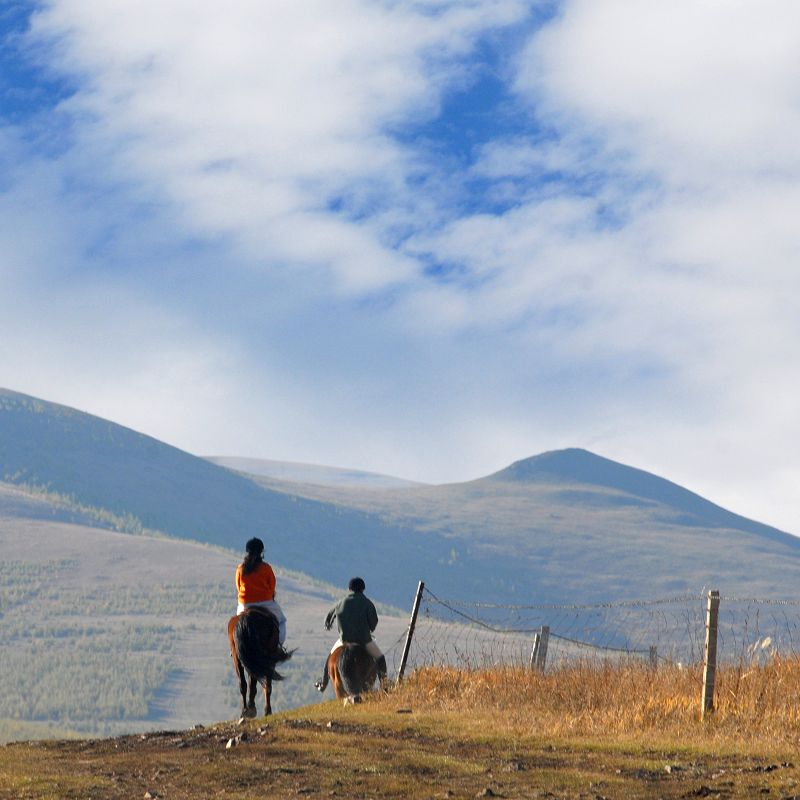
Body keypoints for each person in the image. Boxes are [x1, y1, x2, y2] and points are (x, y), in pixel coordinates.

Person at [315, 576, 387, 690]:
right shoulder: (367, 603)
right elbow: (373, 623)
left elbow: (328, 619)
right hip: (364, 641)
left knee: (329, 658)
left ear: (349, 589)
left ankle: (323, 683)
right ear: (363, 589)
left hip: (344, 640)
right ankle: (385, 686)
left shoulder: (340, 603)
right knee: (380, 658)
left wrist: (330, 625)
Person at [235, 537, 287, 645]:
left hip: (245, 604)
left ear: (247, 552)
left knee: (237, 626)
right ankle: (278, 646)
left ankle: (235, 647)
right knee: (281, 621)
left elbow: (239, 587)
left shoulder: (240, 568)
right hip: (265, 602)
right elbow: (272, 586)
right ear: (261, 552)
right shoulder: (266, 568)